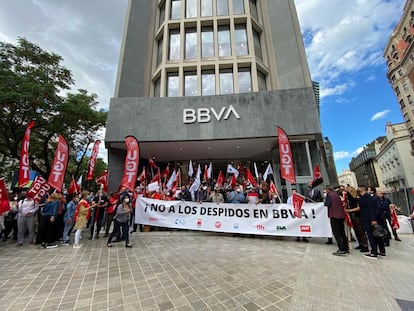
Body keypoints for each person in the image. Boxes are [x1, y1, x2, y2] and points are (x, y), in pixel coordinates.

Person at [358, 186, 386, 259]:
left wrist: (373, 219)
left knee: (372, 235)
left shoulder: (366, 197)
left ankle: (374, 252)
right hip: (369, 218)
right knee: (375, 235)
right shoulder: (366, 197)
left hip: (368, 219)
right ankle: (381, 251)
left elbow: (371, 208)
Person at [324, 186, 348, 256]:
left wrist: (325, 201)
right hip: (341, 215)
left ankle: (341, 249)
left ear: (327, 190)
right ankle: (346, 248)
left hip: (334, 215)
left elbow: (327, 204)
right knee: (342, 232)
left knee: (336, 233)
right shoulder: (336, 194)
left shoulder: (329, 195)